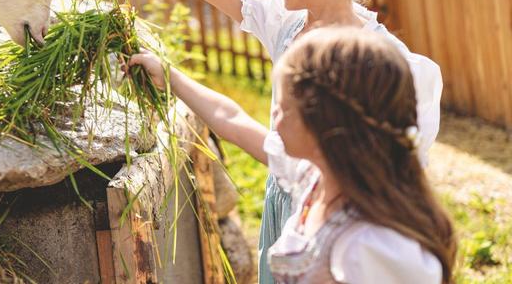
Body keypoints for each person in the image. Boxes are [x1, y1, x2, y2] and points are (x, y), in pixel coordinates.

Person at [93, 0, 442, 282]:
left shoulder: (380, 65)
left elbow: (397, 174)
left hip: (336, 223)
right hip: (290, 212)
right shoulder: (285, 20)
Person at [126, 27, 456, 283]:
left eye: (283, 107)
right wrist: (167, 76)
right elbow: (233, 120)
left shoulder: (373, 245)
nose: (275, 118)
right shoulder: (314, 174)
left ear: (323, 120)